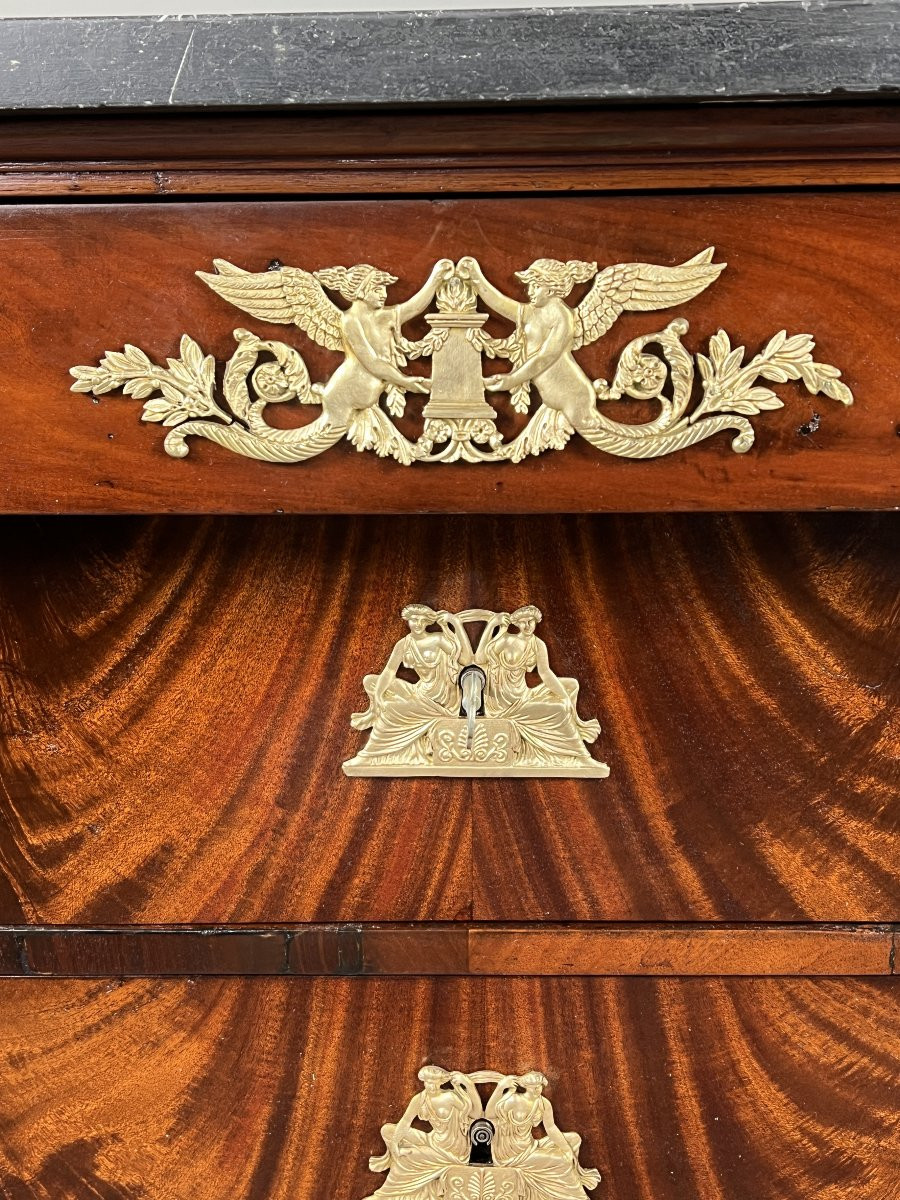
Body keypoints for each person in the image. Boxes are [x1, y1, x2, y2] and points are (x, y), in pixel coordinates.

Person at [476, 606, 600, 767]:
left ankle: (572, 723)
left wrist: (564, 697)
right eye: (522, 622)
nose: (527, 626)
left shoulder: (538, 644)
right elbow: (479, 659)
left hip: (522, 694)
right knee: (559, 709)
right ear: (517, 624)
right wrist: (492, 625)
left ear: (536, 622)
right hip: (505, 702)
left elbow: (546, 673)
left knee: (571, 686)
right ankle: (582, 756)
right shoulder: (506, 640)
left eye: (530, 621)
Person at [350, 604, 469, 765]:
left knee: (391, 708)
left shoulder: (438, 639)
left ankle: (370, 754)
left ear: (427, 622)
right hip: (421, 690)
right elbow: (389, 672)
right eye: (414, 620)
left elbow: (466, 660)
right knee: (371, 681)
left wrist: (455, 623)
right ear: (408, 621)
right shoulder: (404, 644)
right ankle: (378, 710)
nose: (418, 624)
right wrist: (378, 696)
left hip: (439, 698)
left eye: (422, 620)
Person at [367, 1066, 482, 1200]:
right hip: (434, 1141)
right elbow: (405, 1121)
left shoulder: (449, 1097)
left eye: (435, 1083)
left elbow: (476, 1114)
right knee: (388, 1130)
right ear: (423, 1082)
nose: (432, 1087)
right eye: (428, 1083)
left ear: (441, 1083)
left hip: (452, 1150)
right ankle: (397, 1156)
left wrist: (469, 1085)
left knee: (407, 1158)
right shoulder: (420, 1098)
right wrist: (394, 1145)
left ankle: (387, 1195)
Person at [486, 1072, 601, 1200]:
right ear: (526, 1087)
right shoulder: (514, 1099)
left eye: (539, 1086)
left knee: (573, 1140)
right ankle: (576, 1196)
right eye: (534, 1086)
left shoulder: (543, 1103)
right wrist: (500, 1088)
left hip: (528, 1146)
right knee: (561, 1160)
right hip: (511, 1153)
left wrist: (567, 1150)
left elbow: (551, 1128)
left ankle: (562, 1180)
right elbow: (489, 1116)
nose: (537, 1089)